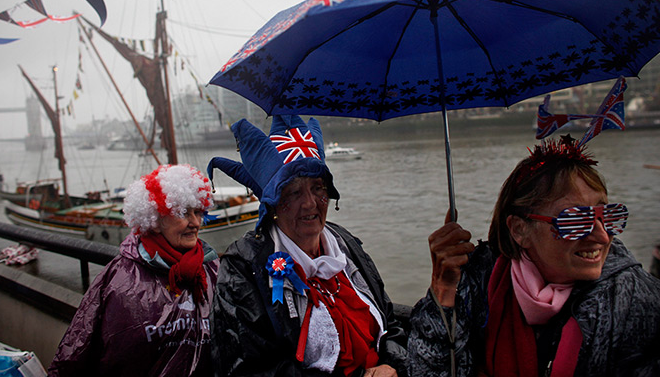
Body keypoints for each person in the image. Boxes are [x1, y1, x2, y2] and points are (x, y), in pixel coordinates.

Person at [408, 136, 660, 376]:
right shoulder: (480, 279)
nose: (603, 236)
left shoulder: (634, 302)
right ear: (519, 230)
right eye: (574, 221)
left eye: (608, 216)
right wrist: (443, 290)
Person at [207, 115, 408, 377]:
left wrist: (393, 365)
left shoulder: (345, 244)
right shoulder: (244, 266)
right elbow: (248, 368)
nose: (311, 203)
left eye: (318, 188)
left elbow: (389, 321)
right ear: (273, 204)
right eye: (293, 192)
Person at [48, 164, 218, 377]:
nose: (195, 223)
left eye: (198, 212)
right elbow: (77, 351)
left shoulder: (212, 268)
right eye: (183, 213)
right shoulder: (120, 278)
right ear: (155, 220)